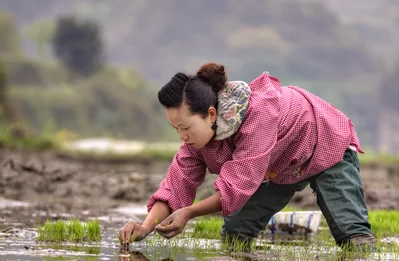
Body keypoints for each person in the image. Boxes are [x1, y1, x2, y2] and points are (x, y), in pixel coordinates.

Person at [119, 63, 376, 248]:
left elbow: (237, 187)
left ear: (210, 114)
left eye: (185, 128)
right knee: (235, 234)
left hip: (325, 144)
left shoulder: (258, 116)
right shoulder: (196, 142)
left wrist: (189, 213)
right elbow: (176, 186)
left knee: (353, 236)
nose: (181, 137)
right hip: (278, 166)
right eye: (175, 129)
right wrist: (146, 226)